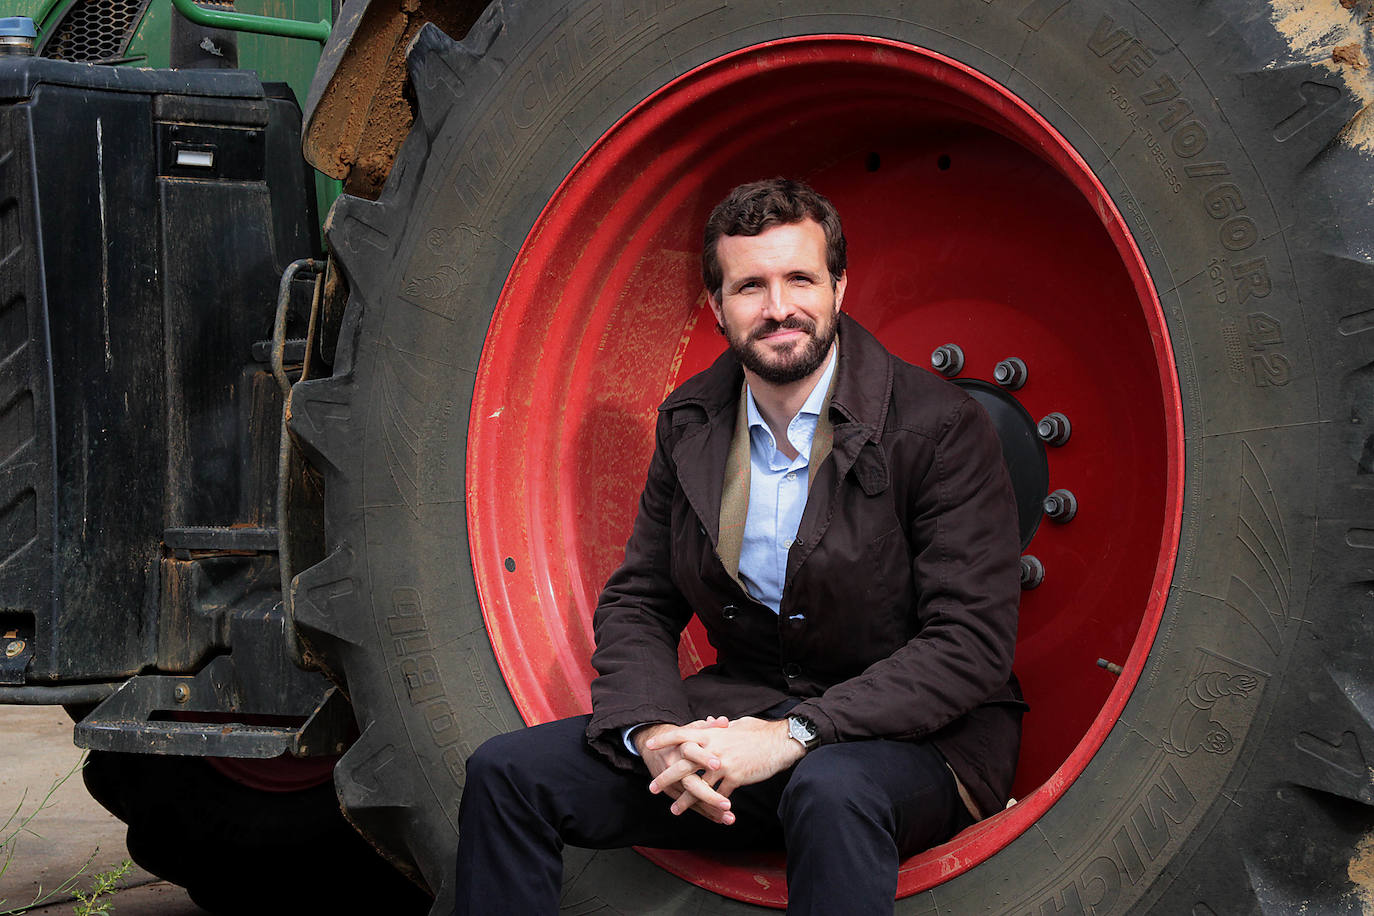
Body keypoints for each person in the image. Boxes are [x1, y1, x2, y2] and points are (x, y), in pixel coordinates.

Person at [454, 178, 1025, 915]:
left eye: (800, 279)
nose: (779, 306)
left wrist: (795, 732)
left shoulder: (939, 427)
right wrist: (652, 728)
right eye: (750, 285)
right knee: (507, 773)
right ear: (718, 307)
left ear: (840, 286)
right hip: (745, 724)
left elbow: (970, 643)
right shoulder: (691, 421)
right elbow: (640, 598)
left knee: (831, 788)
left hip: (921, 743)